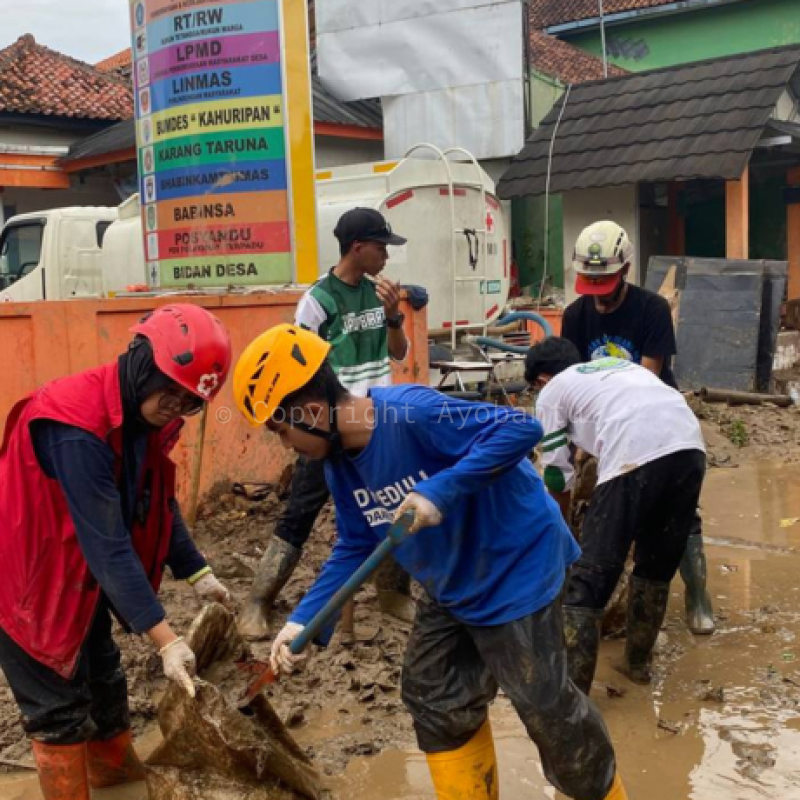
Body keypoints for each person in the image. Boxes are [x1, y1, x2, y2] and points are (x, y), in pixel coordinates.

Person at [232, 324, 629, 800]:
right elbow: (356, 543)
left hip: (515, 567)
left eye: (281, 430)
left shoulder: (411, 414)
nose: (284, 444)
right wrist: (303, 621)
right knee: (432, 693)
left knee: (547, 710)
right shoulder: (338, 465)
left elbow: (519, 428)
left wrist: (438, 490)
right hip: (452, 582)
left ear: (311, 411)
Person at [0, 304, 233, 800]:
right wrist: (167, 641)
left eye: (188, 401)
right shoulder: (75, 424)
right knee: (58, 710)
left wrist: (198, 573)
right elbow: (108, 544)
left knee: (106, 685)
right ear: (143, 362)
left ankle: (117, 784)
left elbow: (154, 502)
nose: (175, 407)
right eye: (169, 391)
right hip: (25, 578)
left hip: (76, 575)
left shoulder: (140, 421)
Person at [239, 207, 413, 641]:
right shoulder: (319, 300)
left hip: (376, 422)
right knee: (302, 509)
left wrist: (394, 317)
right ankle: (259, 599)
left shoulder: (380, 294)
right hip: (327, 424)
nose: (386, 257)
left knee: (394, 504)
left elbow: (398, 353)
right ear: (358, 248)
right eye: (380, 248)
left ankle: (392, 592)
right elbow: (295, 365)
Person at [525, 337, 707, 694]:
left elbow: (557, 475)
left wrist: (561, 534)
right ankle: (638, 665)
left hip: (633, 453)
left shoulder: (551, 392)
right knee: (655, 565)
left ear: (542, 380)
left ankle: (573, 691)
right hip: (689, 447)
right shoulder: (620, 368)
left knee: (592, 573)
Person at [561, 220, 715, 635]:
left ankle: (698, 595)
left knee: (677, 509)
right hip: (601, 420)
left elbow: (648, 377)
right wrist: (582, 445)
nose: (599, 295)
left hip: (655, 418)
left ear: (625, 270)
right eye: (589, 281)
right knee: (600, 508)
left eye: (604, 282)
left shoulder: (651, 310)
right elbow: (575, 380)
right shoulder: (575, 316)